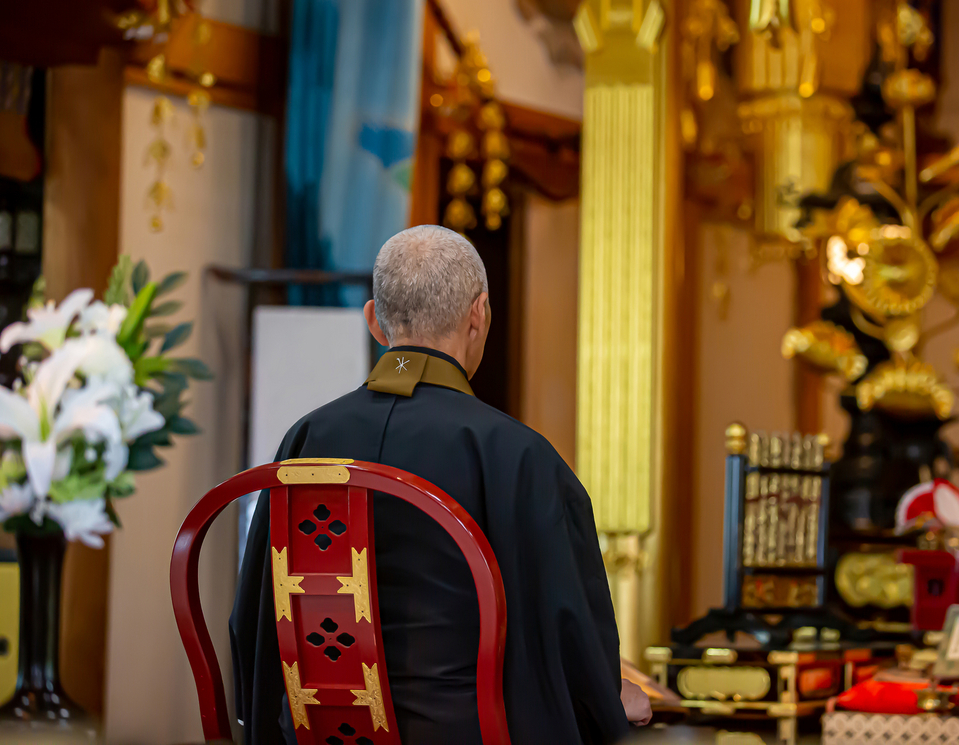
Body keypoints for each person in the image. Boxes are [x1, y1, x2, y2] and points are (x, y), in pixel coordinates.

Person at [230, 225, 651, 745]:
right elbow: (566, 646)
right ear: (480, 315)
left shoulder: (306, 439)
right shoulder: (519, 456)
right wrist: (608, 697)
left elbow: (253, 624)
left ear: (374, 323)